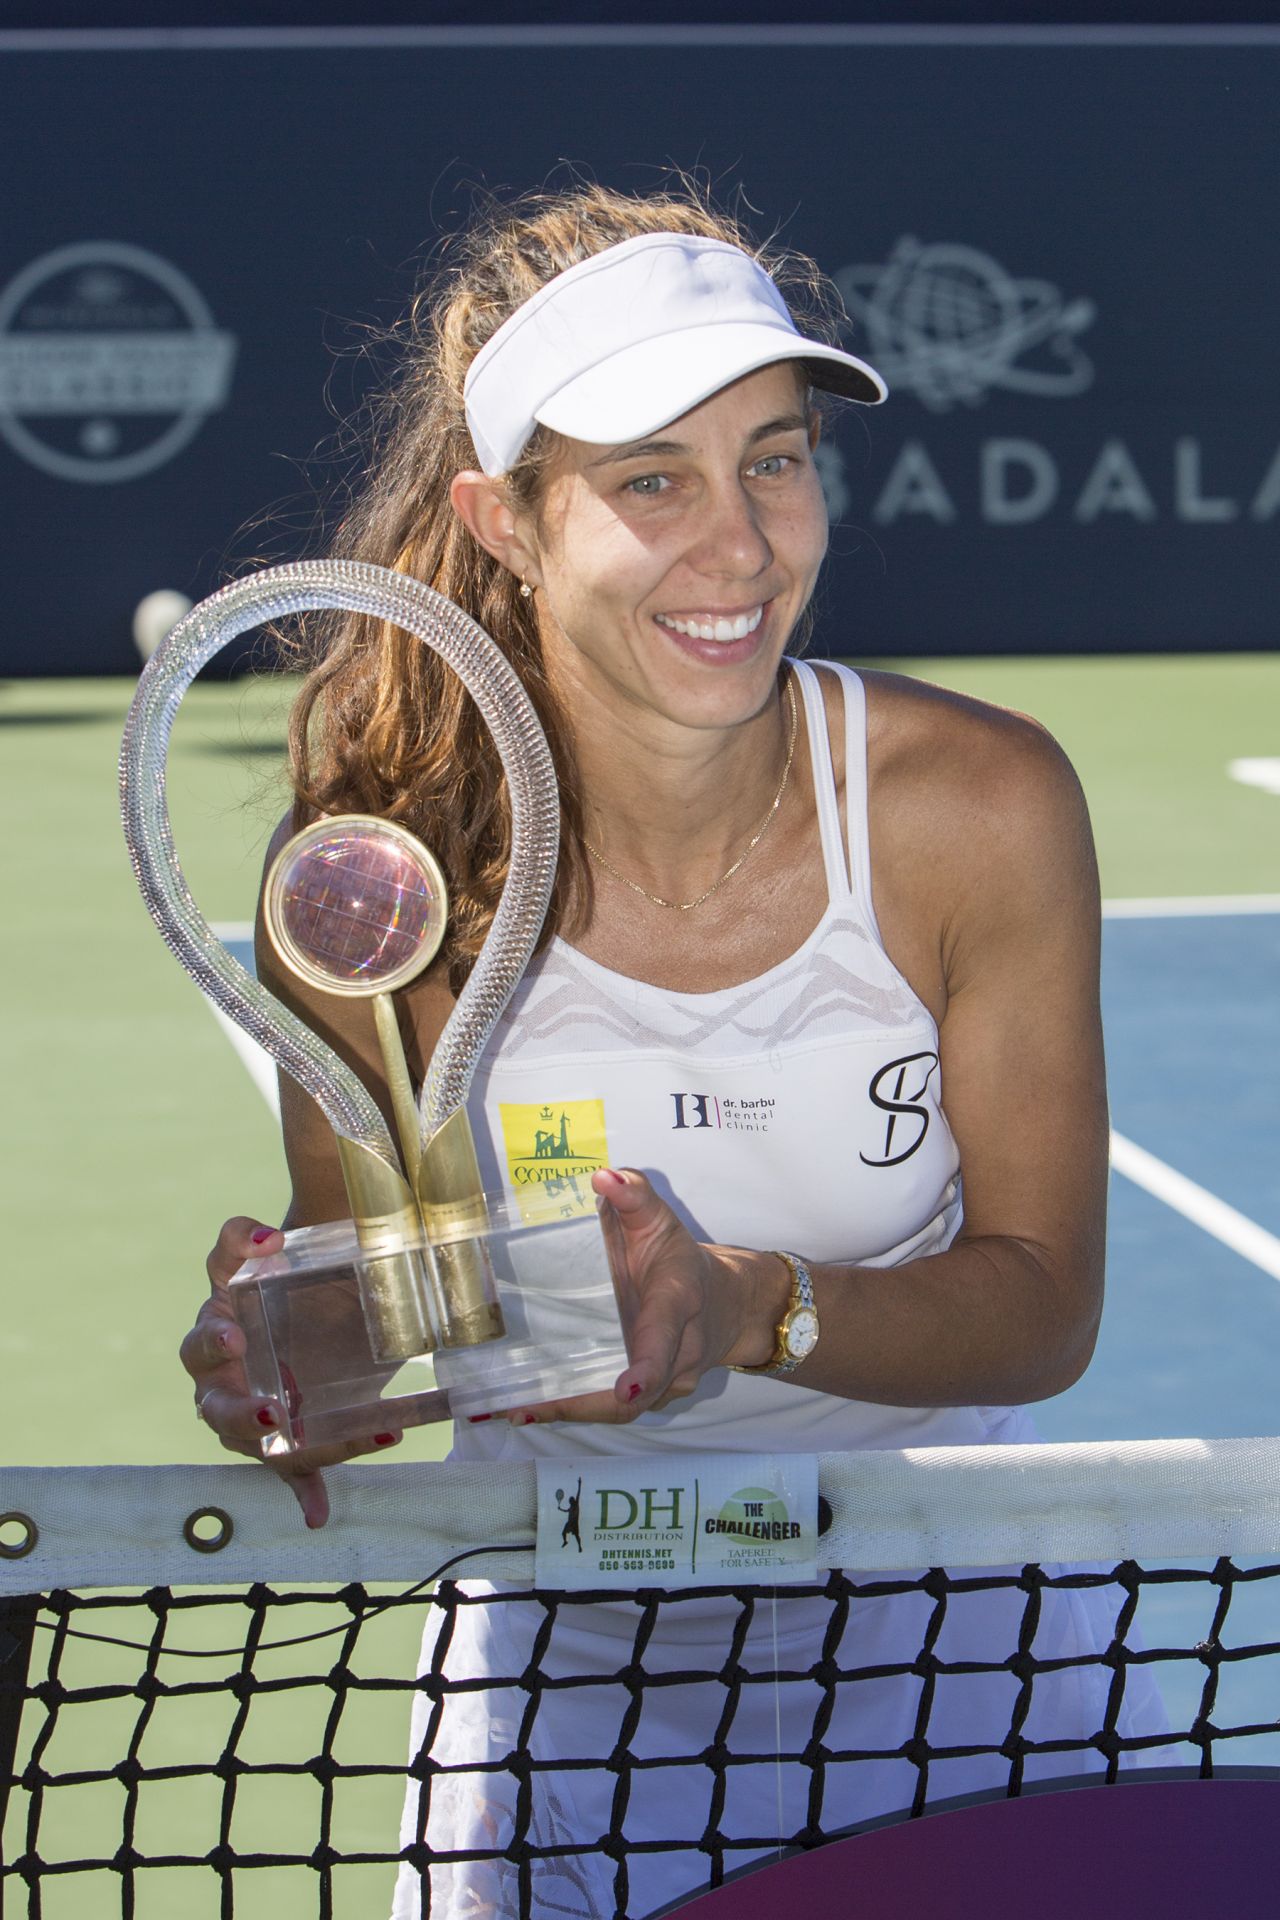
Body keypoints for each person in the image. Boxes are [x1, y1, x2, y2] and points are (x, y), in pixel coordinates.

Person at [182, 184, 1167, 1918]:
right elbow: (397, 1311)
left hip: (969, 1627)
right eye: (653, 480)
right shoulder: (365, 889)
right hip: (561, 1650)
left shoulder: (982, 809)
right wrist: (302, 1360)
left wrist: (754, 1304)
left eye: (774, 461)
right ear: (506, 518)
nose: (740, 544)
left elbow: (1045, 1303)